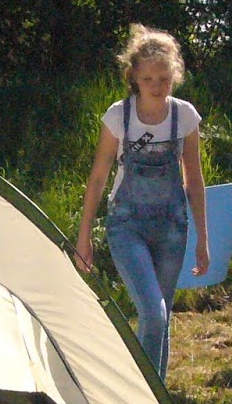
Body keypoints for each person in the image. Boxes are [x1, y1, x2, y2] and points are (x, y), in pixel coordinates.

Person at [75, 25, 209, 382]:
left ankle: (156, 399)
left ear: (174, 75)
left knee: (162, 317)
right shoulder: (118, 116)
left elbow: (194, 181)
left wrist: (203, 239)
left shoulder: (185, 116)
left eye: (164, 78)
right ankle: (141, 393)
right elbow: (98, 178)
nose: (157, 86)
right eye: (148, 78)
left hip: (172, 227)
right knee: (153, 312)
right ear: (134, 76)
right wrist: (83, 236)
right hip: (127, 225)